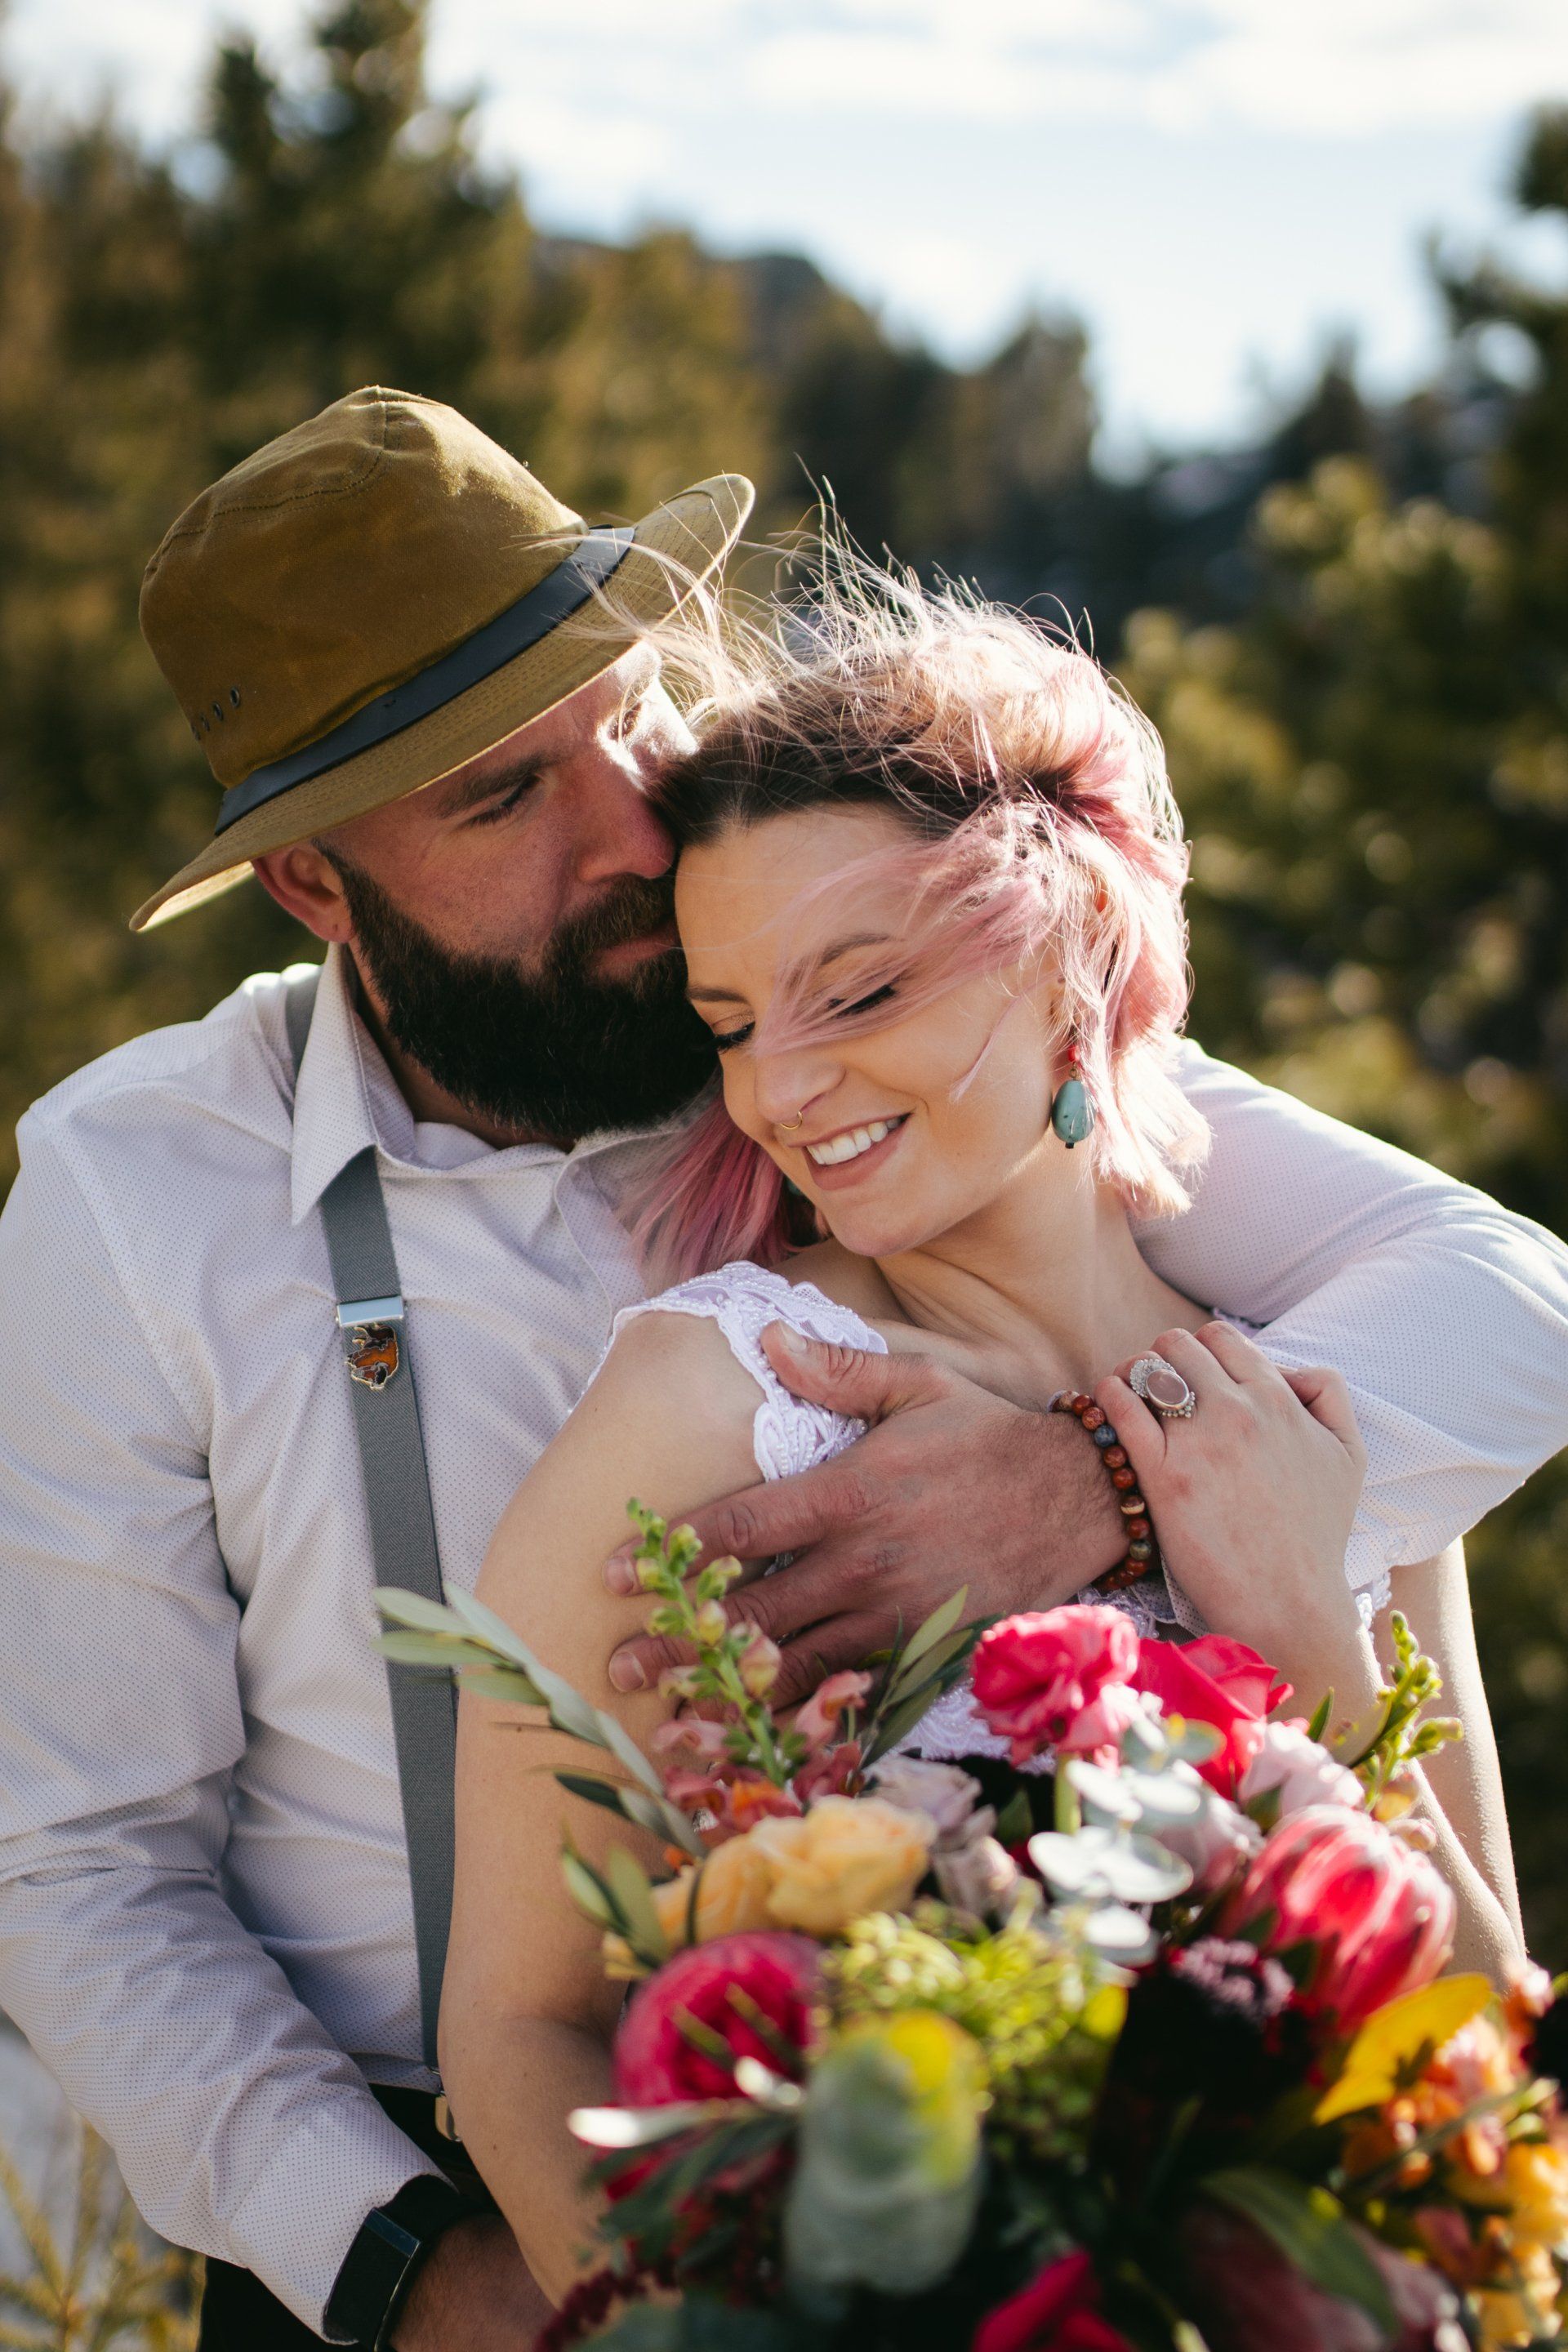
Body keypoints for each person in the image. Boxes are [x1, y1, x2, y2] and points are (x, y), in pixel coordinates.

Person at [1, 390, 1565, 2350]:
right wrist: (412, 2274)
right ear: (320, 884)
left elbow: (1500, 1289)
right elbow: (78, 1863)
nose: (633, 828)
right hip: (415, 2201)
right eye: (504, 795)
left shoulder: (865, 1016)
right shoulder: (136, 1190)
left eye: (632, 710)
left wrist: (1089, 1474)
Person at [441, 566, 1544, 2301]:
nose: (781, 1086)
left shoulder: (1326, 1420)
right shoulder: (714, 1405)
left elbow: (1491, 2060)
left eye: (858, 993)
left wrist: (1311, 1643)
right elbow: (515, 2033)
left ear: (1069, 951)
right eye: (732, 1024)